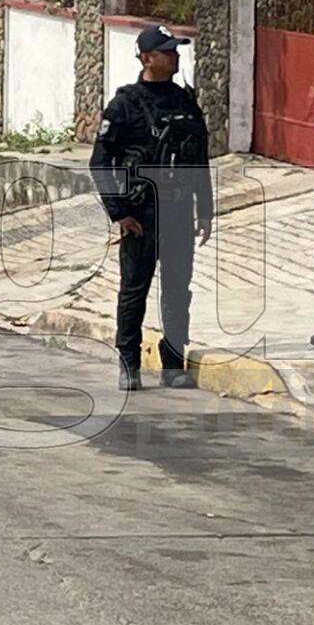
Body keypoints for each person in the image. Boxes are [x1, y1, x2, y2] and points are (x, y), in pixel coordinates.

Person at [90, 25, 214, 391]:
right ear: (147, 59)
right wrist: (119, 212)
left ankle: (173, 361)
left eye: (175, 51)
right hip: (140, 214)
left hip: (178, 211)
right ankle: (128, 362)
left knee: (178, 290)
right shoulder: (125, 104)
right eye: (167, 52)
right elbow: (100, 163)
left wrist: (204, 209)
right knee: (134, 290)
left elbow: (199, 159)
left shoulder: (184, 101)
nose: (174, 57)